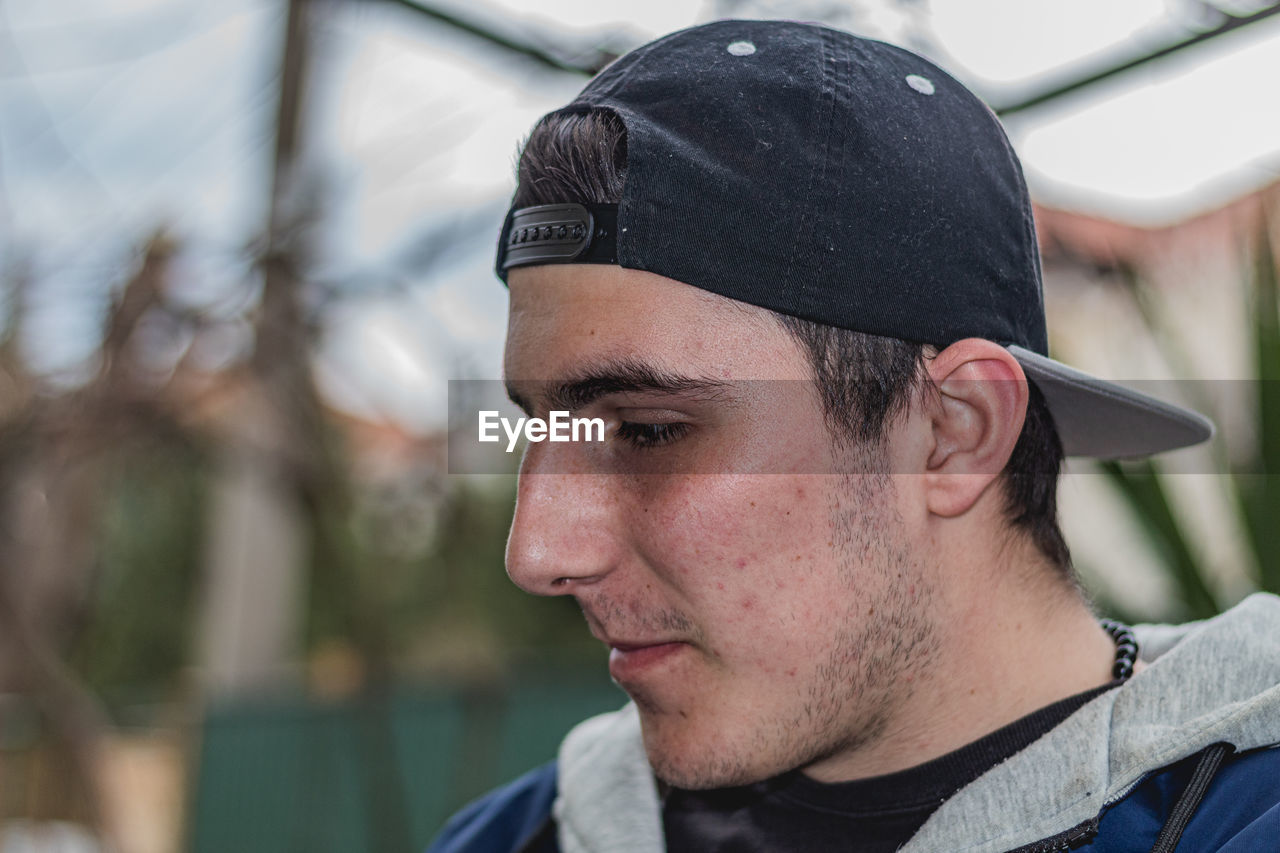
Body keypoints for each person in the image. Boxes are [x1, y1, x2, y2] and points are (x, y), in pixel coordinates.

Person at [429, 19, 1280, 853]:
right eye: (546, 428)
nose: (537, 552)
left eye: (649, 431)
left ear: (955, 433)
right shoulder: (519, 833)